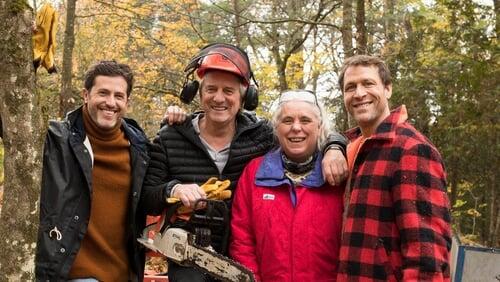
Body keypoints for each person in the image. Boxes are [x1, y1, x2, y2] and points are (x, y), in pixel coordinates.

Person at [140, 43, 348, 282]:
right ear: (199, 93)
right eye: (211, 89)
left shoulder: (260, 135)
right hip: (190, 253)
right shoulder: (171, 137)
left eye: (228, 90)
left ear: (244, 96)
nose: (219, 98)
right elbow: (146, 199)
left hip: (241, 259)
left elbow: (301, 134)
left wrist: (334, 146)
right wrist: (173, 188)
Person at [337, 55, 452, 281]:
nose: (359, 94)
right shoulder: (354, 148)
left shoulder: (411, 149)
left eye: (368, 84)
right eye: (350, 87)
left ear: (388, 89)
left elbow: (427, 257)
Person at [35, 60, 150, 281]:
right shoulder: (56, 139)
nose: (110, 102)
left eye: (118, 96)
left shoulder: (140, 148)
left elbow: (159, 186)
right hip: (72, 274)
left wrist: (181, 120)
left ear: (127, 101)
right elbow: (11, 122)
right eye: (103, 93)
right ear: (86, 95)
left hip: (124, 274)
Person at [229, 89, 344, 281]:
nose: (296, 128)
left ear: (320, 126)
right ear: (277, 127)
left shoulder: (338, 171)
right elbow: (242, 239)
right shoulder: (254, 173)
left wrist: (337, 146)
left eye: (305, 120)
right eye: (287, 121)